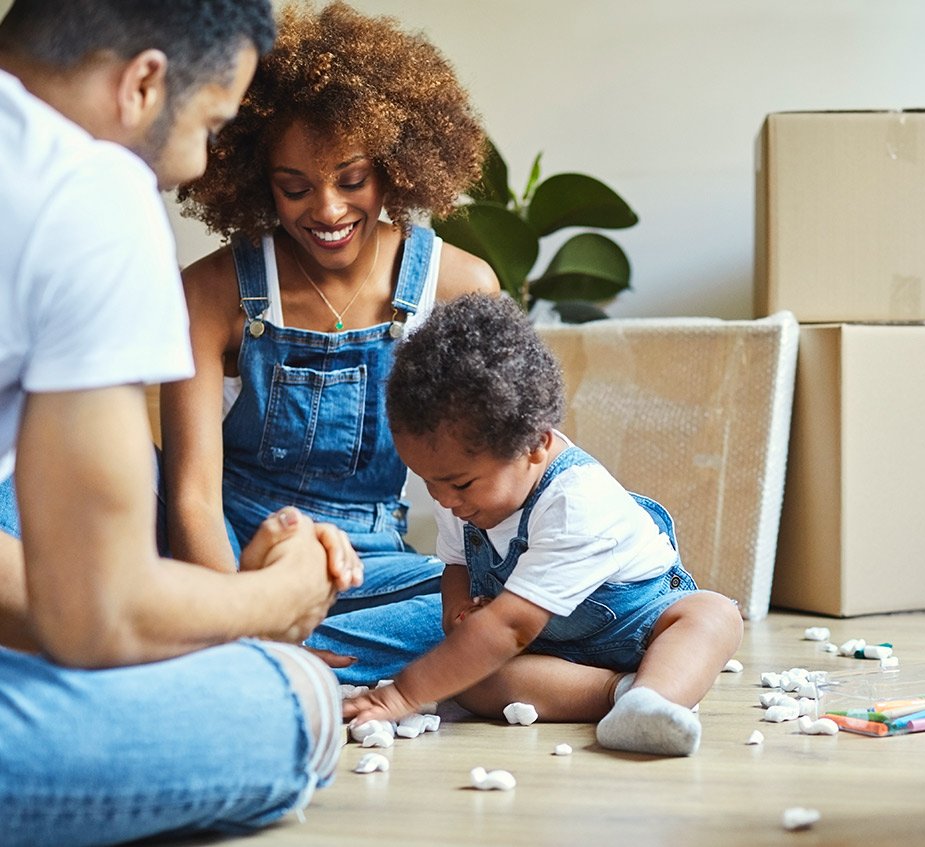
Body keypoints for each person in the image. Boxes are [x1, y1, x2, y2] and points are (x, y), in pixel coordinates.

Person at [0, 2, 358, 844]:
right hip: (115, 596)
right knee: (290, 701)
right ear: (145, 83)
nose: (194, 166)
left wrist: (213, 603)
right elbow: (96, 616)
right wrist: (274, 603)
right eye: (210, 124)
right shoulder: (87, 185)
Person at [168, 1, 498, 684]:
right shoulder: (208, 293)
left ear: (395, 166)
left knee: (497, 615)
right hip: (231, 551)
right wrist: (243, 610)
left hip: (370, 561)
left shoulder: (458, 286)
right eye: (294, 187)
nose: (325, 210)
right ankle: (251, 650)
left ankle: (244, 658)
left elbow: (497, 480)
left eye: (352, 180)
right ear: (258, 180)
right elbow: (191, 499)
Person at [344, 294, 745, 756]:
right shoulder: (458, 492)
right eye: (430, 482)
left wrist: (401, 694)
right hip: (550, 650)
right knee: (471, 678)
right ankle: (621, 695)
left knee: (713, 615)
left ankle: (657, 693)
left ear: (535, 444)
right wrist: (458, 615)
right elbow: (456, 563)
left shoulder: (576, 502)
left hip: (638, 625)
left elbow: (511, 626)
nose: (443, 499)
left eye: (459, 484)